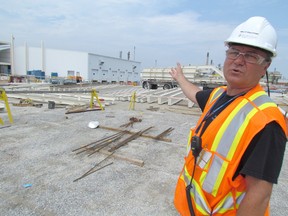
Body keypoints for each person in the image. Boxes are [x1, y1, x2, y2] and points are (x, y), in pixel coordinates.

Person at [170, 16, 287, 216]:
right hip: (190, 208)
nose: (238, 61)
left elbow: (259, 195)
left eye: (251, 56)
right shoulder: (218, 96)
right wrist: (180, 78)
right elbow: (195, 93)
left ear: (265, 67)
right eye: (234, 52)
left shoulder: (267, 121)